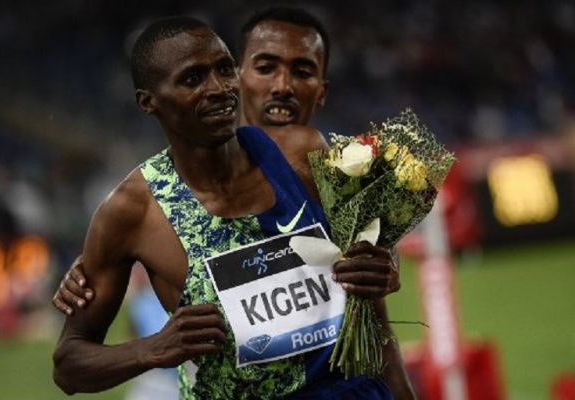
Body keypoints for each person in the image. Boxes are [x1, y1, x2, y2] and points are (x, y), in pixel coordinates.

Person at [52, 10, 413, 399]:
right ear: (148, 102)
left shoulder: (302, 152)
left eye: (224, 69)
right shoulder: (132, 212)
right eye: (193, 79)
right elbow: (69, 365)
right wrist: (151, 349)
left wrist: (385, 260)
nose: (218, 88)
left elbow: (371, 275)